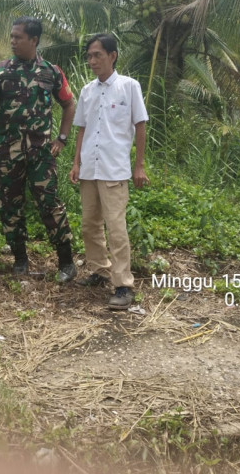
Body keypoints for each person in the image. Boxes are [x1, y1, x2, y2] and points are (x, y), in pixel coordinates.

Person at [0, 16, 78, 283]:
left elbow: (69, 104)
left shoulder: (51, 72)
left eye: (18, 37)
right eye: (12, 36)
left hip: (41, 153)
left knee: (50, 204)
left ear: (34, 40)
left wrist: (62, 139)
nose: (13, 41)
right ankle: (20, 259)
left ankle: (66, 261)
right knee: (10, 205)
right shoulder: (0, 71)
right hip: (9, 153)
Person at [69, 33, 149, 309]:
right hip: (89, 168)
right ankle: (100, 270)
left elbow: (140, 125)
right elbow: (82, 129)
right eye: (89, 56)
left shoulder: (129, 87)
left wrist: (139, 165)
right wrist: (76, 163)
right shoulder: (87, 91)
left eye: (97, 55)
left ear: (112, 55)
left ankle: (124, 285)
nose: (92, 61)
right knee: (89, 224)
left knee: (116, 227)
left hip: (115, 169)